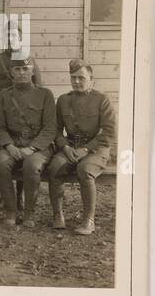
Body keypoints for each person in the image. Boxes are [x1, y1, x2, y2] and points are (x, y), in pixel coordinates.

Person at [47, 60, 117, 236]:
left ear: (91, 79)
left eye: (81, 78)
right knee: (55, 166)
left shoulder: (102, 100)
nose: (77, 82)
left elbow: (109, 132)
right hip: (71, 147)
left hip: (97, 148)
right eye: (73, 78)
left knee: (85, 169)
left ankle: (88, 219)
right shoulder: (63, 100)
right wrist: (65, 148)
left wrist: (86, 149)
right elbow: (55, 130)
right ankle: (58, 214)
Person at [0, 57, 56, 227]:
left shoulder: (45, 95)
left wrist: (33, 147)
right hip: (12, 144)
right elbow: (0, 126)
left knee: (32, 165)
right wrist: (9, 145)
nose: (21, 73)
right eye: (17, 69)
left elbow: (50, 128)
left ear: (32, 71)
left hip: (38, 146)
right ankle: (11, 210)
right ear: (11, 73)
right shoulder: (4, 95)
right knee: (0, 163)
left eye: (25, 69)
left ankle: (29, 212)